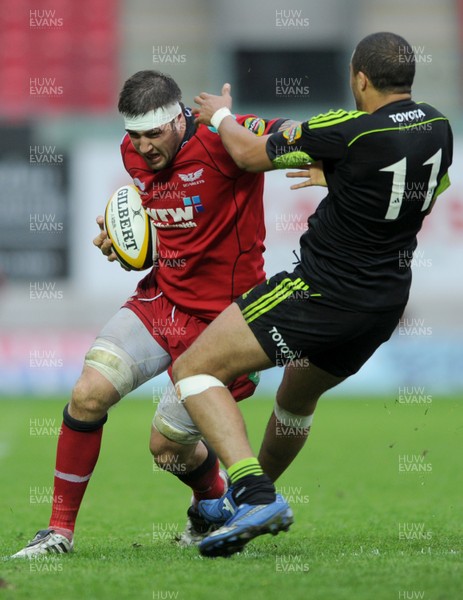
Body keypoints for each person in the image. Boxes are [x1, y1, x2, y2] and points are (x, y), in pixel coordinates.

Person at [171, 32, 453, 558]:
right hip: (383, 304)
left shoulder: (347, 130)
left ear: (360, 78)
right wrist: (346, 183)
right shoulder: (439, 125)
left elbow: (251, 154)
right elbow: (425, 193)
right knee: (295, 401)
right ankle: (251, 504)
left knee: (194, 370)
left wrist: (221, 116)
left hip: (320, 292)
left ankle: (253, 494)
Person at [12, 70, 295, 557]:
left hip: (224, 325)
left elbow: (287, 133)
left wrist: (312, 148)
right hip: (162, 300)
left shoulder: (221, 139)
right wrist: (119, 237)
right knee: (86, 395)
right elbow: (154, 212)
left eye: (153, 135)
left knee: (166, 451)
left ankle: (211, 502)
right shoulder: (133, 152)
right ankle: (58, 533)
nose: (142, 148)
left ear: (180, 119)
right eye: (134, 135)